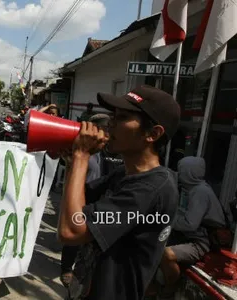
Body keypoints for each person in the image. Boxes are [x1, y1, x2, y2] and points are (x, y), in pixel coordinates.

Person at [58, 85, 180, 300]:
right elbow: (74, 206)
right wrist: (71, 162)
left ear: (153, 133)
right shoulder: (123, 174)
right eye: (113, 115)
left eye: (122, 117)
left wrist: (81, 157)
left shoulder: (151, 188)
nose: (111, 123)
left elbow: (71, 231)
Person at [59, 113, 124, 288]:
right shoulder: (89, 149)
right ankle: (67, 268)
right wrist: (76, 159)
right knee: (74, 238)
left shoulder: (117, 155)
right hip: (85, 195)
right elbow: (68, 231)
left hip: (103, 199)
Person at [149, 156, 226, 297]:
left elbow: (189, 224)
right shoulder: (192, 189)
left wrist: (169, 219)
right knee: (153, 241)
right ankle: (152, 285)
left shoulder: (200, 192)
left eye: (182, 171)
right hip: (191, 236)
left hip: (202, 241)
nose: (179, 174)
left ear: (189, 172)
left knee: (166, 254)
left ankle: (169, 288)